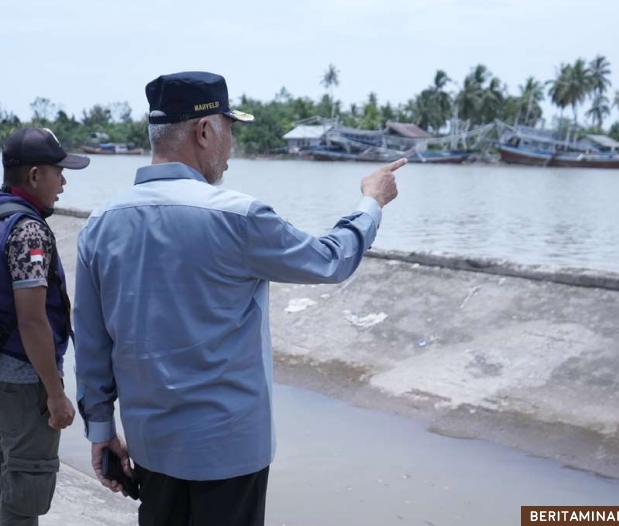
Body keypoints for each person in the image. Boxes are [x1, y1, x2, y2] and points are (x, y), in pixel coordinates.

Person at [73, 71, 403, 526]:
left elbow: (91, 344)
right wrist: (371, 203)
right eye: (230, 130)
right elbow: (331, 259)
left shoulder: (100, 224)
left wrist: (100, 429)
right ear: (205, 131)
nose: (231, 148)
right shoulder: (239, 217)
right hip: (228, 452)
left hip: (151, 447)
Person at [0, 127, 89, 526]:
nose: (64, 182)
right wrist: (55, 394)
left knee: (2, 471)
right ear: (36, 175)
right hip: (25, 383)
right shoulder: (27, 231)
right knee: (26, 493)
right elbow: (32, 318)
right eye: (59, 171)